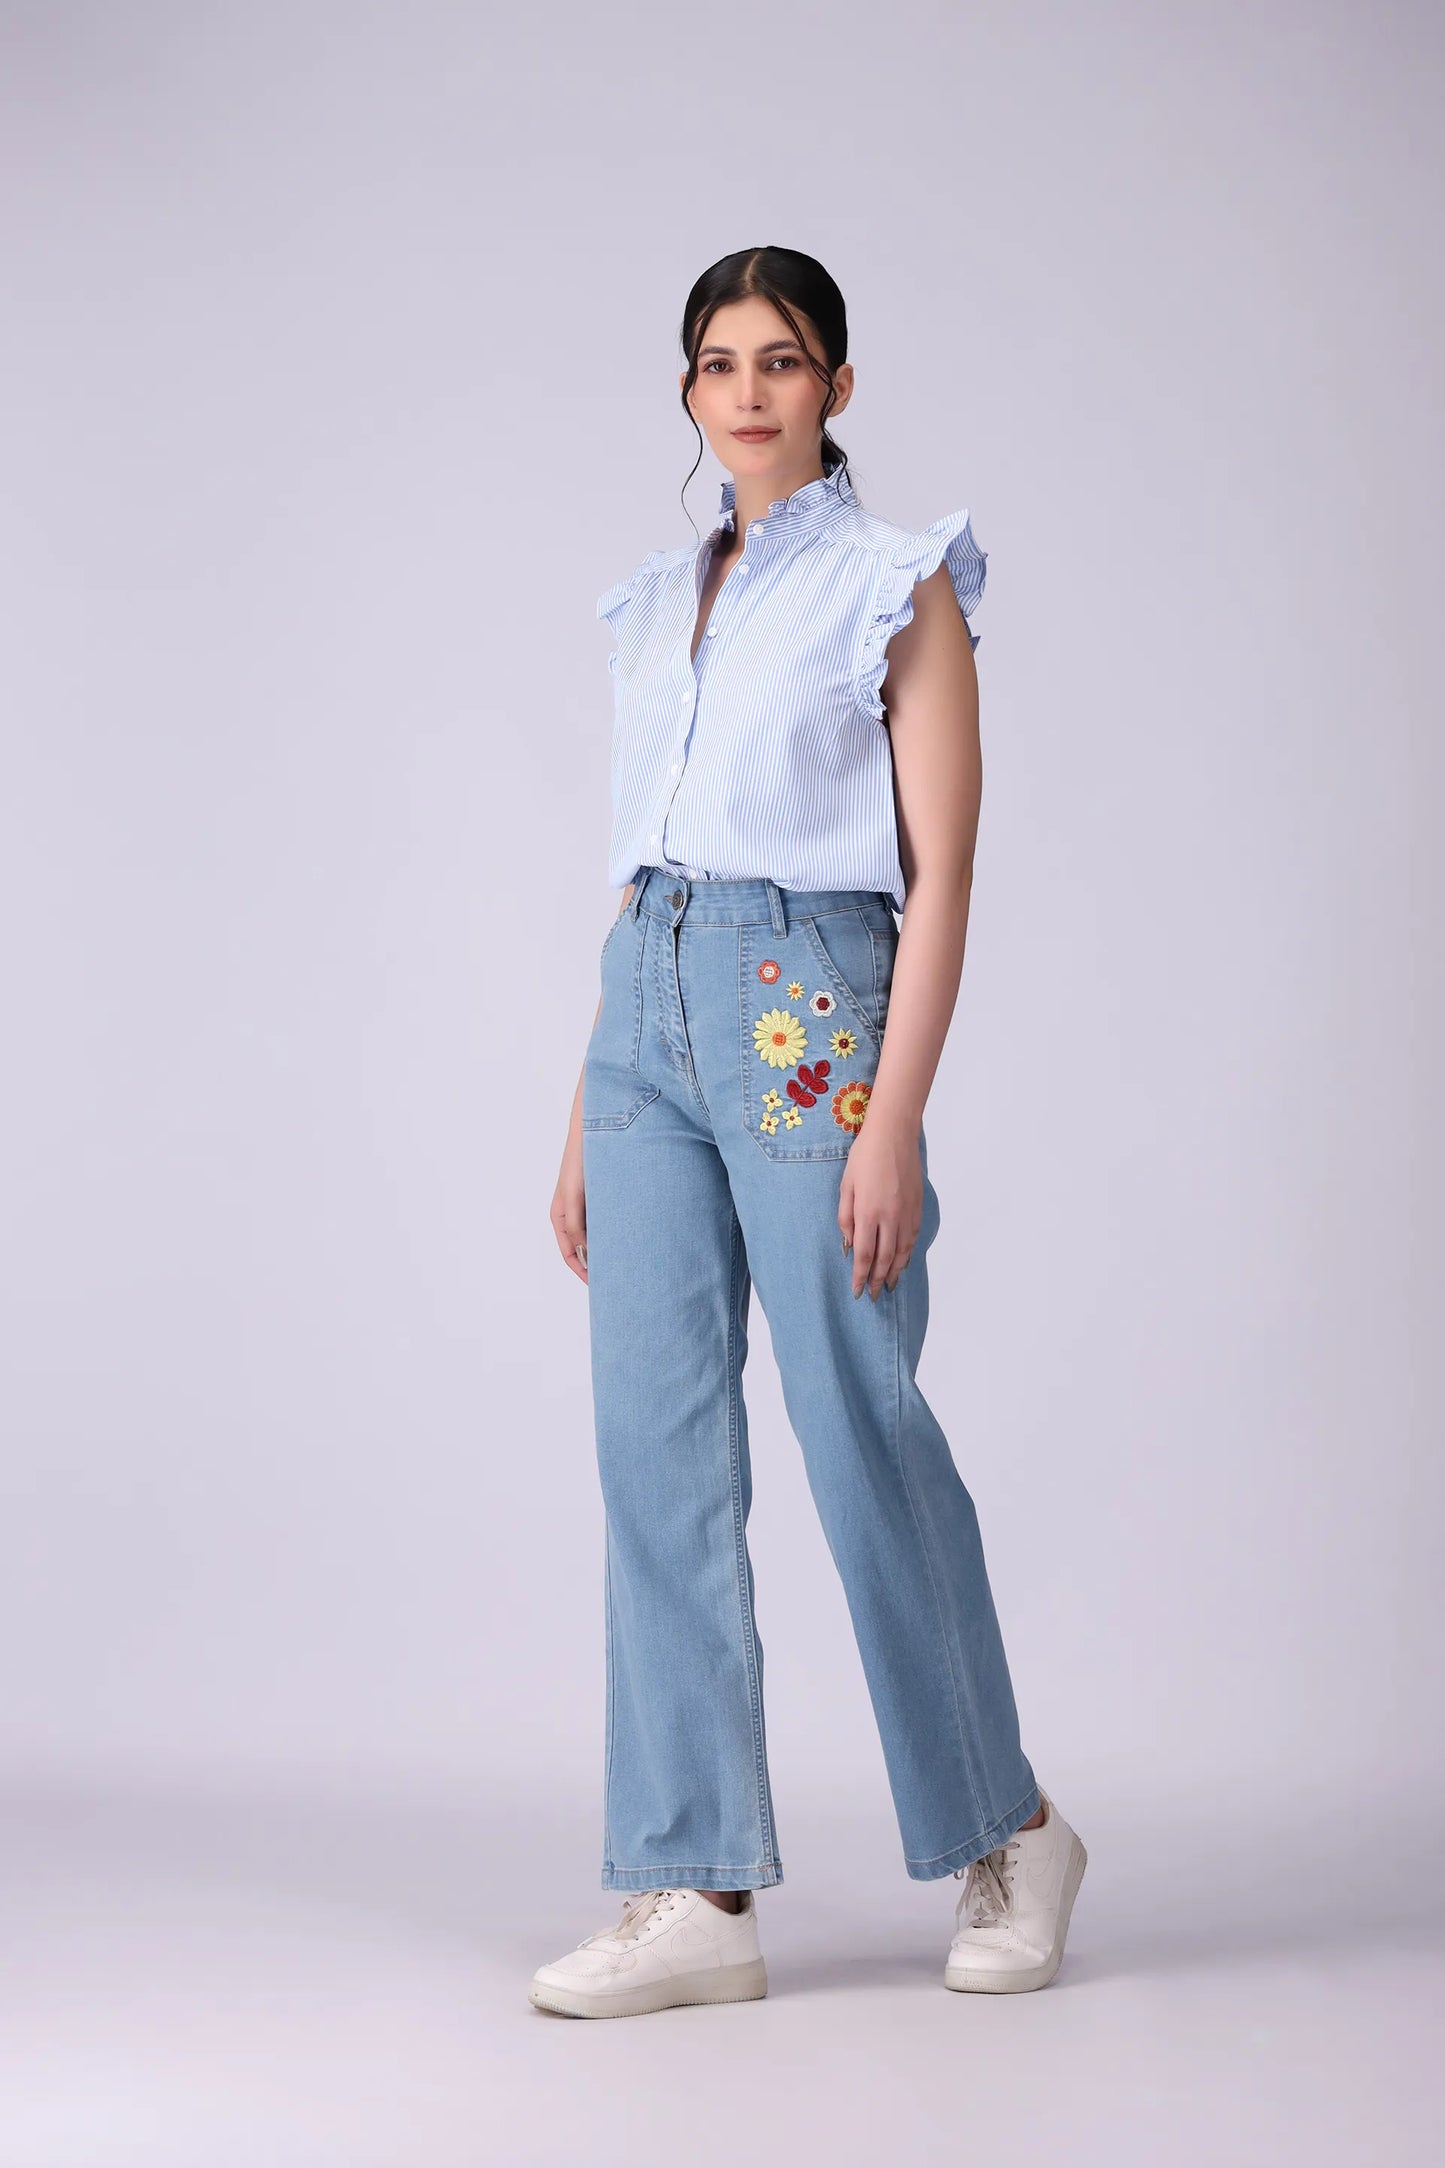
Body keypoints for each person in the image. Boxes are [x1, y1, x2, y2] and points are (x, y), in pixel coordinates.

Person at [533, 247, 1087, 2021]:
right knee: (653, 1450)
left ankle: (1009, 1829)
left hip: (807, 1013)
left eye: (782, 360)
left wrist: (892, 1115)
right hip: (645, 1013)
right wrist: (587, 1103)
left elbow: (942, 873)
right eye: (718, 362)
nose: (749, 391)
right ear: (686, 392)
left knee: (857, 1421)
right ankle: (691, 1881)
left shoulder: (892, 584)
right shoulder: (654, 600)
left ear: (836, 384)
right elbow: (640, 866)